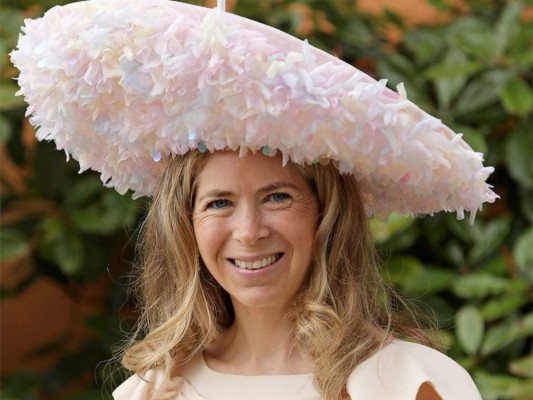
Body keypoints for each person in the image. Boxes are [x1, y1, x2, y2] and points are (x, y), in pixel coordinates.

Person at [11, 0, 497, 399]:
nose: (248, 231)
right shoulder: (152, 391)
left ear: (326, 214)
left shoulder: (410, 383)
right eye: (219, 203)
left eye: (278, 197)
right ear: (187, 225)